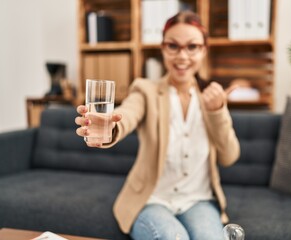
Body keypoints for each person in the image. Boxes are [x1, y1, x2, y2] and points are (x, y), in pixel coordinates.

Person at [75, 10, 240, 240]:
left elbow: (230, 156)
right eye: (173, 46)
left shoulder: (212, 97)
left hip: (198, 201)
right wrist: (110, 126)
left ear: (204, 50)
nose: (182, 56)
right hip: (152, 200)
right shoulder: (146, 90)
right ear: (163, 49)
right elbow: (128, 114)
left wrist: (217, 112)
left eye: (192, 47)